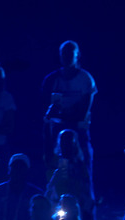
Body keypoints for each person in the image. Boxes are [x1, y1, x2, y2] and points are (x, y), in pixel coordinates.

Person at [41, 40, 96, 181]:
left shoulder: (85, 79)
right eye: (63, 54)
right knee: (60, 174)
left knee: (84, 173)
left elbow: (82, 113)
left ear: (77, 56)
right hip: (57, 135)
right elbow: (47, 115)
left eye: (70, 54)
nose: (66, 57)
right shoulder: (51, 80)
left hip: (79, 133)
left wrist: (60, 115)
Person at [45, 128, 96, 220]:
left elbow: (86, 185)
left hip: (77, 203)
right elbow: (50, 185)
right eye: (64, 142)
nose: (66, 145)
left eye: (69, 142)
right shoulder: (54, 162)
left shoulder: (79, 164)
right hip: (58, 201)